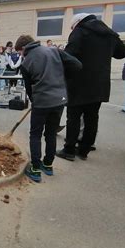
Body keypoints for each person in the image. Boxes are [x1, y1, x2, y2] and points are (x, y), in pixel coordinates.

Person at [56, 13, 125, 161]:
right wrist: (117, 40)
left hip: (78, 83)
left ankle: (69, 150)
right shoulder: (109, 34)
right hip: (99, 84)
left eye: (72, 26)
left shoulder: (80, 32)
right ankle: (84, 150)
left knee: (74, 117)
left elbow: (69, 56)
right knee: (92, 117)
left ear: (77, 22)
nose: (72, 29)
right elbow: (123, 51)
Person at [16, 35, 82, 182]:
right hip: (59, 100)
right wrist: (61, 80)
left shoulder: (26, 63)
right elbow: (77, 65)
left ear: (23, 48)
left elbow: (29, 89)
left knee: (35, 135)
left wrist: (35, 101)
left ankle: (35, 169)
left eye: (20, 52)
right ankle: (48, 164)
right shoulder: (54, 51)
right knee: (51, 133)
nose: (21, 55)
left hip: (41, 102)